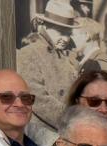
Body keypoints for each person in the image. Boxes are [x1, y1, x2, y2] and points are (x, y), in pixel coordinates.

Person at [17, 0, 84, 129]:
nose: (65, 39)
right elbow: (36, 97)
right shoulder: (29, 53)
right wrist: (70, 119)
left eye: (68, 34)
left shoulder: (66, 55)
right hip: (42, 130)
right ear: (45, 27)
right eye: (61, 33)